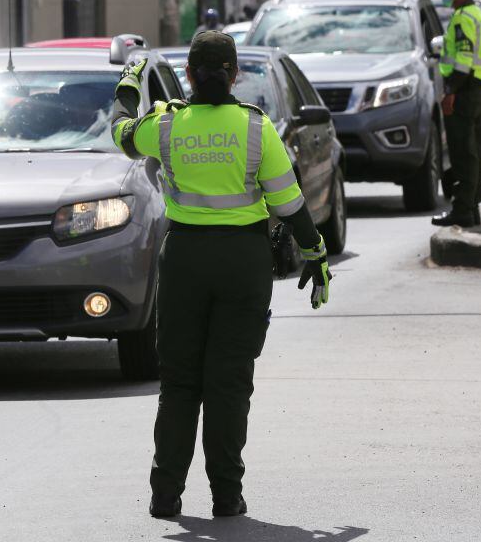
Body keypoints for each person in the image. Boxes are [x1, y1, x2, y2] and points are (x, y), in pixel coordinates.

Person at [109, 31, 333, 519]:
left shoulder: (166, 127)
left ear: (188, 74)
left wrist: (127, 87)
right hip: (242, 265)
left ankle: (165, 495)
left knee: (180, 383)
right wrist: (315, 254)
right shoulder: (257, 129)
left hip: (184, 260)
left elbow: (122, 132)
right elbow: (291, 205)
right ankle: (226, 497)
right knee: (228, 384)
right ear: (235, 75)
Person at [432, 0, 481, 228]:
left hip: (464, 91)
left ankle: (462, 209)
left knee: (462, 154)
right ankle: (472, 206)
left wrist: (451, 92)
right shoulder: (476, 13)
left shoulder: (463, 18)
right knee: (474, 152)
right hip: (477, 90)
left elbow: (464, 59)